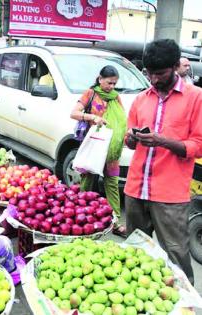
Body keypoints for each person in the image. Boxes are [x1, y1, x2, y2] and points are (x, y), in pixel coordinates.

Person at [124, 39, 202, 285]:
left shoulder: (196, 98)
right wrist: (131, 139)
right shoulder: (140, 99)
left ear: (176, 66)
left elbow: (198, 145)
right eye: (149, 74)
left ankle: (187, 304)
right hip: (135, 189)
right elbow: (129, 143)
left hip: (169, 195)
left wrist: (163, 141)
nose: (154, 79)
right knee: (134, 253)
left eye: (160, 73)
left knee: (176, 254)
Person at [70, 65, 127, 237]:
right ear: (100, 79)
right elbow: (74, 113)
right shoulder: (90, 94)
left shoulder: (115, 97)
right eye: (109, 82)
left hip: (110, 149)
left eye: (114, 84)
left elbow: (122, 119)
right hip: (93, 146)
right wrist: (92, 117)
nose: (111, 87)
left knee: (112, 184)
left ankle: (115, 222)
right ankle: (79, 218)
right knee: (87, 181)